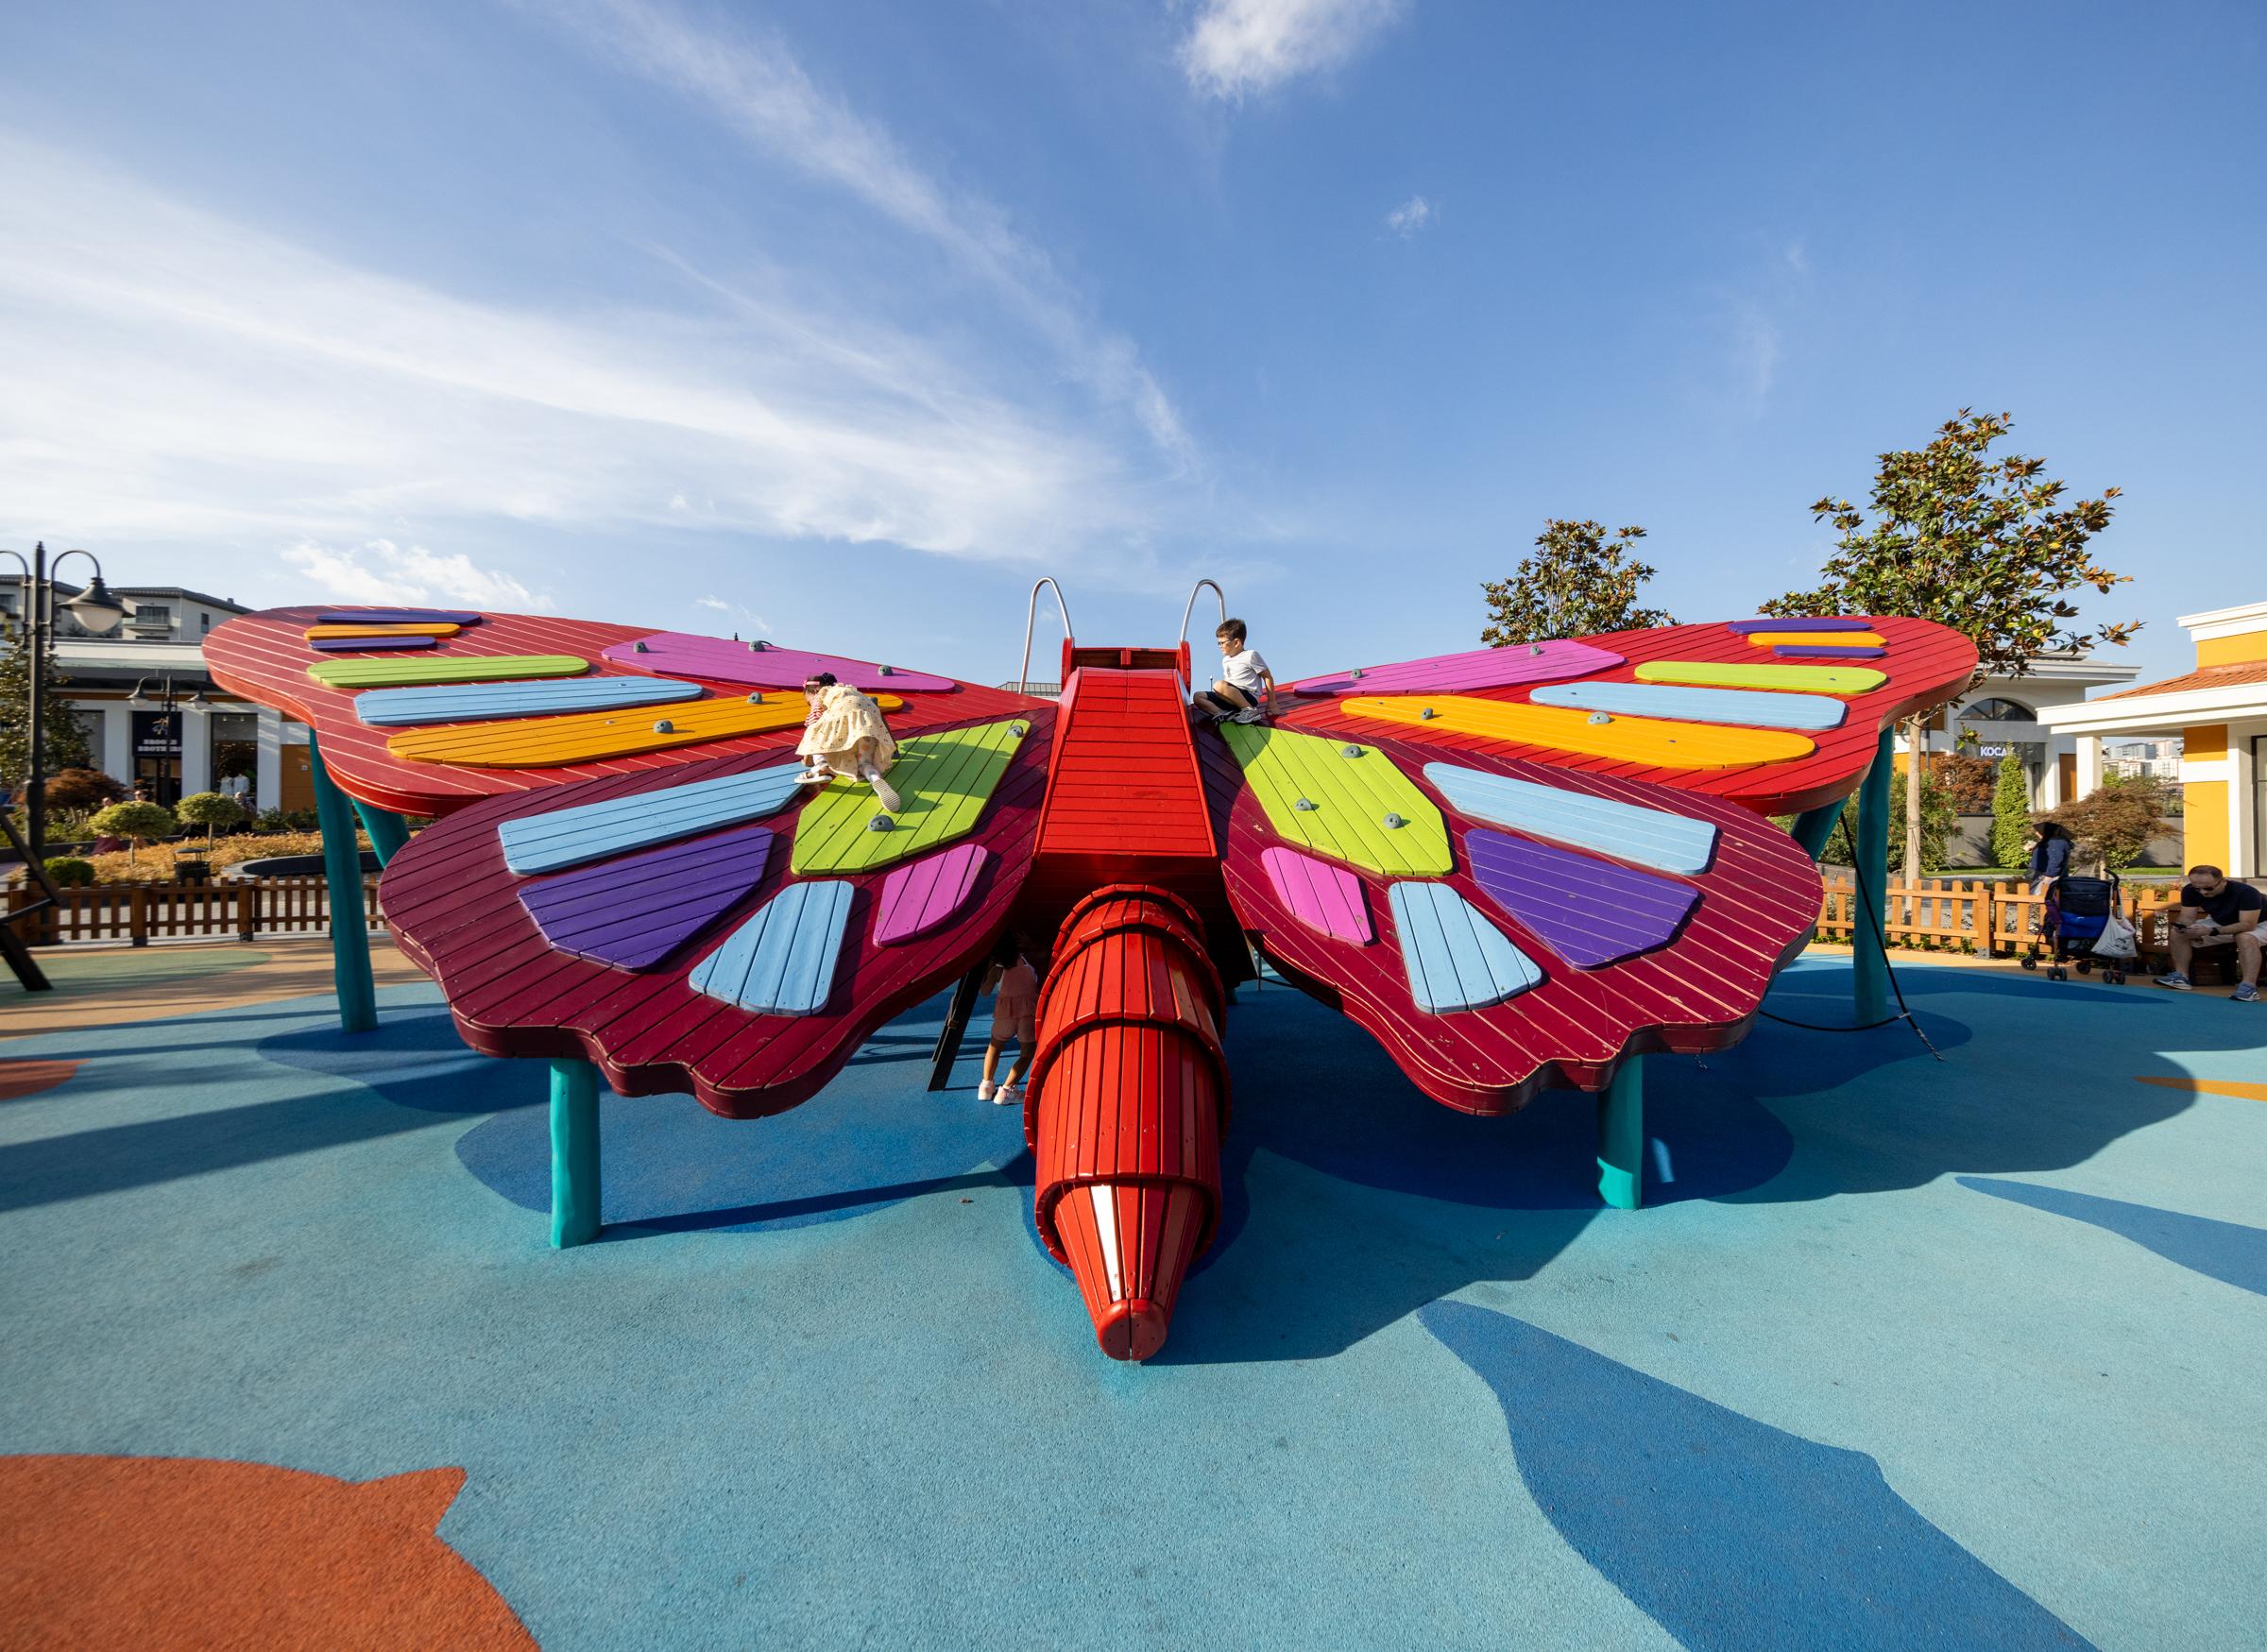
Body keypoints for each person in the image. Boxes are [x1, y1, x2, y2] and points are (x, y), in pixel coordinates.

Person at [793, 673, 902, 812]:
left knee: (816, 732)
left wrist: (808, 758)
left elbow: (814, 725)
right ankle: (875, 779)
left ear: (814, 690)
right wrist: (893, 745)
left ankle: (821, 765)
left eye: (808, 701)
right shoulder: (851, 691)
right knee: (865, 763)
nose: (810, 704)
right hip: (868, 719)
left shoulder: (820, 695)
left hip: (844, 713)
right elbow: (879, 717)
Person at [2156, 864, 2263, 1000]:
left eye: (2208, 888)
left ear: (2223, 882)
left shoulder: (2246, 892)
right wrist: (2184, 926)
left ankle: (2248, 988)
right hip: (2221, 921)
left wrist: (2212, 931)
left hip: (2260, 922)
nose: (2202, 892)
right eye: (2197, 888)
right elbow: (2187, 917)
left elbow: (2248, 924)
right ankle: (2181, 977)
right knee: (2179, 933)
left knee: (2245, 937)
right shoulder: (2190, 890)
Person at [976, 935, 1038, 1105]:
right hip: (1027, 1014)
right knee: (1027, 1054)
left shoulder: (997, 969)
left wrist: (989, 968)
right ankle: (1007, 1090)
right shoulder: (1029, 961)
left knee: (994, 1047)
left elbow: (985, 992)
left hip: (1005, 1015)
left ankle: (986, 1086)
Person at [1190, 617, 1275, 724]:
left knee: (1218, 685)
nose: (1220, 646)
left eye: (1222, 643)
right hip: (1230, 698)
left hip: (1248, 697)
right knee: (1198, 696)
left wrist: (1272, 702)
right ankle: (1223, 714)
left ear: (1236, 643)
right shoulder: (1225, 660)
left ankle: (1249, 711)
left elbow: (1267, 676)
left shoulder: (1250, 655)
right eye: (1218, 643)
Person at [2025, 821, 2073, 892]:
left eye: (2038, 831)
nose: (2036, 833)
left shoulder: (2055, 842)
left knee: (2039, 898)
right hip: (2041, 874)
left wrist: (2049, 876)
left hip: (2046, 876)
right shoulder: (2051, 841)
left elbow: (2055, 859)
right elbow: (2047, 852)